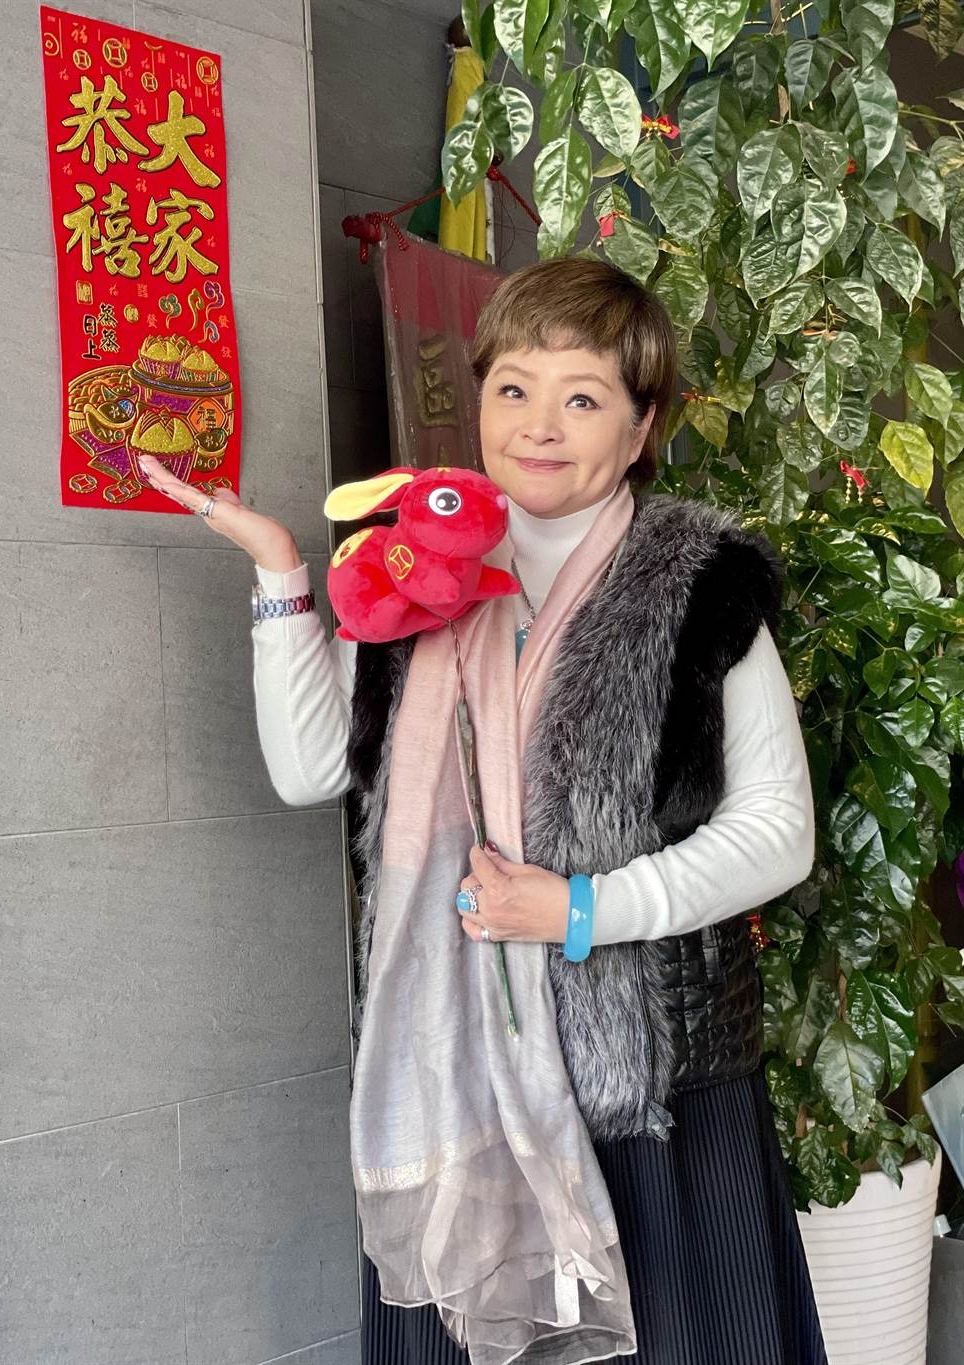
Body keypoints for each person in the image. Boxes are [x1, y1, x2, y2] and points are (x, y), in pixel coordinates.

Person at [139, 257, 828, 1365]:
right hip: (452, 1076)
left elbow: (776, 832)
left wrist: (582, 909)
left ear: (642, 426)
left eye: (582, 397)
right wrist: (280, 575)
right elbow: (313, 770)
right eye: (513, 388)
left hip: (650, 1094)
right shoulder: (418, 559)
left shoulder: (700, 584)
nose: (538, 426)